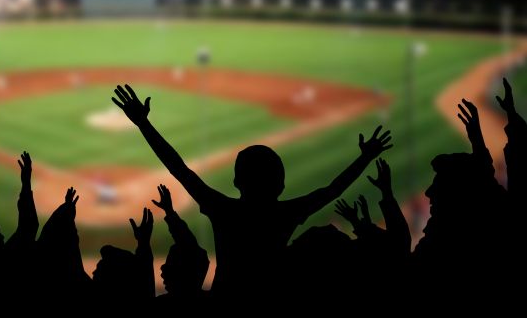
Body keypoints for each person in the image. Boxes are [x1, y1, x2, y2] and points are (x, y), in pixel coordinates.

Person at [111, 84, 392, 298]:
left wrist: (143, 124)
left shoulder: (223, 210)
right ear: (281, 185)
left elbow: (179, 168)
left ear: (236, 182)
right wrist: (365, 157)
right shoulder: (287, 213)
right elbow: (333, 189)